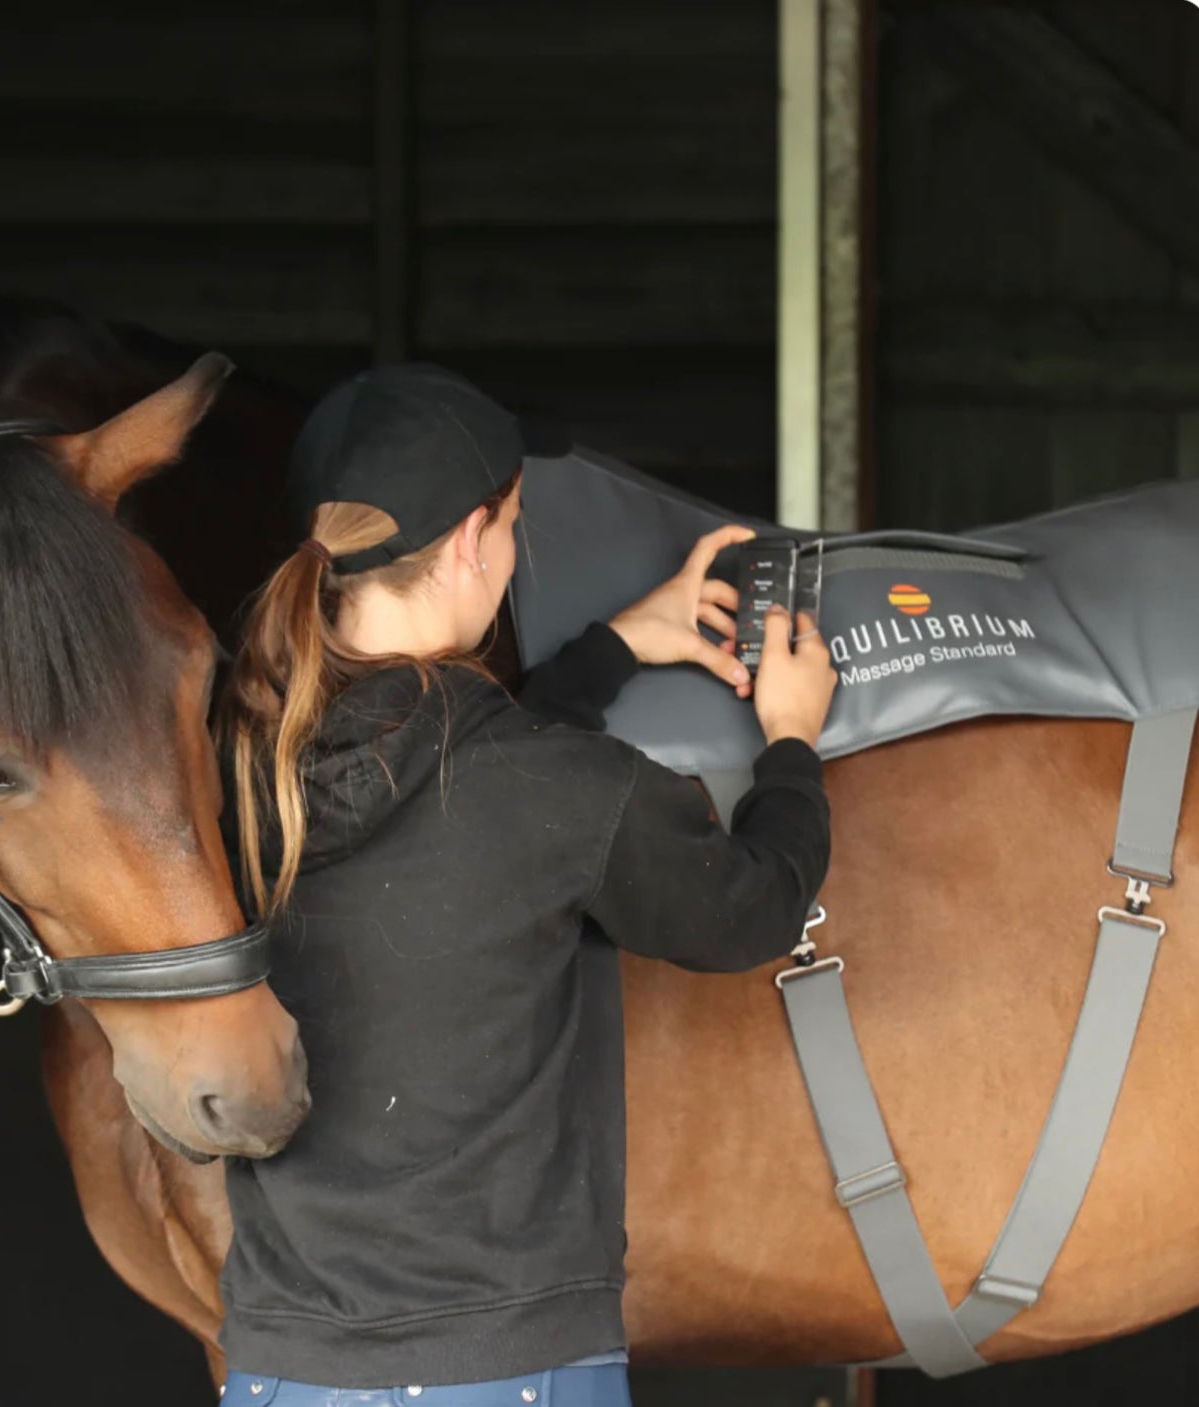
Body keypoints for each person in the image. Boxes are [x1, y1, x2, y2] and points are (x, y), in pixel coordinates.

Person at [218, 364, 836, 1407]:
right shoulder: (552, 792)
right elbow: (751, 909)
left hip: (284, 1372)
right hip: (511, 1374)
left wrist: (607, 653)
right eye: (510, 523)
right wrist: (790, 740)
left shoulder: (236, 770)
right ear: (469, 542)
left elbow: (447, 776)